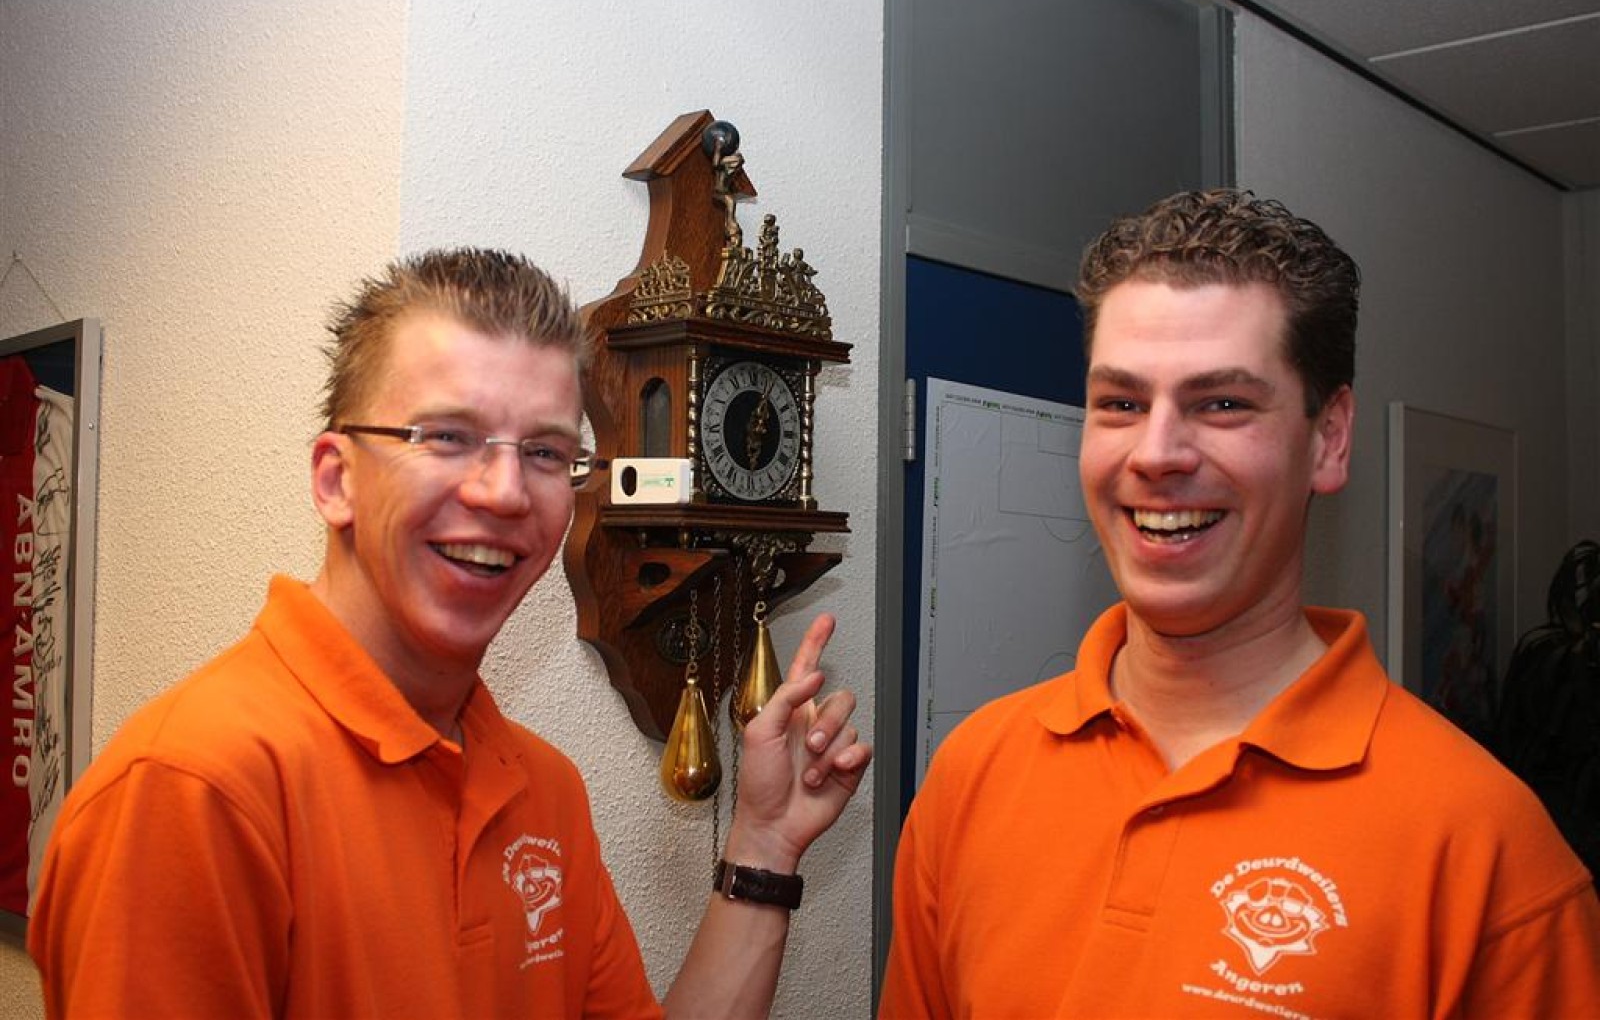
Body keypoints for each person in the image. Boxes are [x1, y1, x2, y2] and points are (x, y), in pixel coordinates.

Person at [27, 248, 872, 1018]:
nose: (504, 492)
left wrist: (764, 845)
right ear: (335, 480)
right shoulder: (192, 792)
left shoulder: (540, 788)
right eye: (446, 437)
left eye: (546, 453)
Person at [879, 189, 1600, 1017]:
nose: (1156, 454)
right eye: (1121, 403)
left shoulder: (1486, 850)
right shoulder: (974, 775)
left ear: (1329, 439)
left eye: (1222, 403)